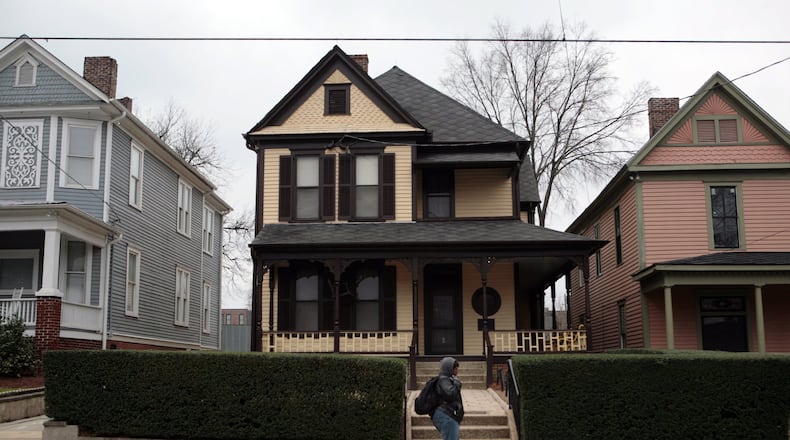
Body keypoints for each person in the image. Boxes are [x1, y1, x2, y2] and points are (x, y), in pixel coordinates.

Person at [431, 357, 464, 440]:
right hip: (446, 415)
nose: (457, 370)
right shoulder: (444, 380)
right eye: (455, 368)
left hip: (448, 415)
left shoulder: (448, 379)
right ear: (449, 368)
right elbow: (450, 394)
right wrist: (457, 383)